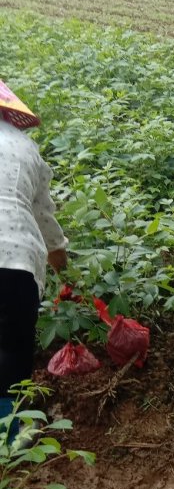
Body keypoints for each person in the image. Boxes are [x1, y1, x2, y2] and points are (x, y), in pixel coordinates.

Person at [0, 80, 68, 428]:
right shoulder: (26, 148)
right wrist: (61, 264)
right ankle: (9, 436)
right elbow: (43, 215)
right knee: (13, 348)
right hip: (17, 259)